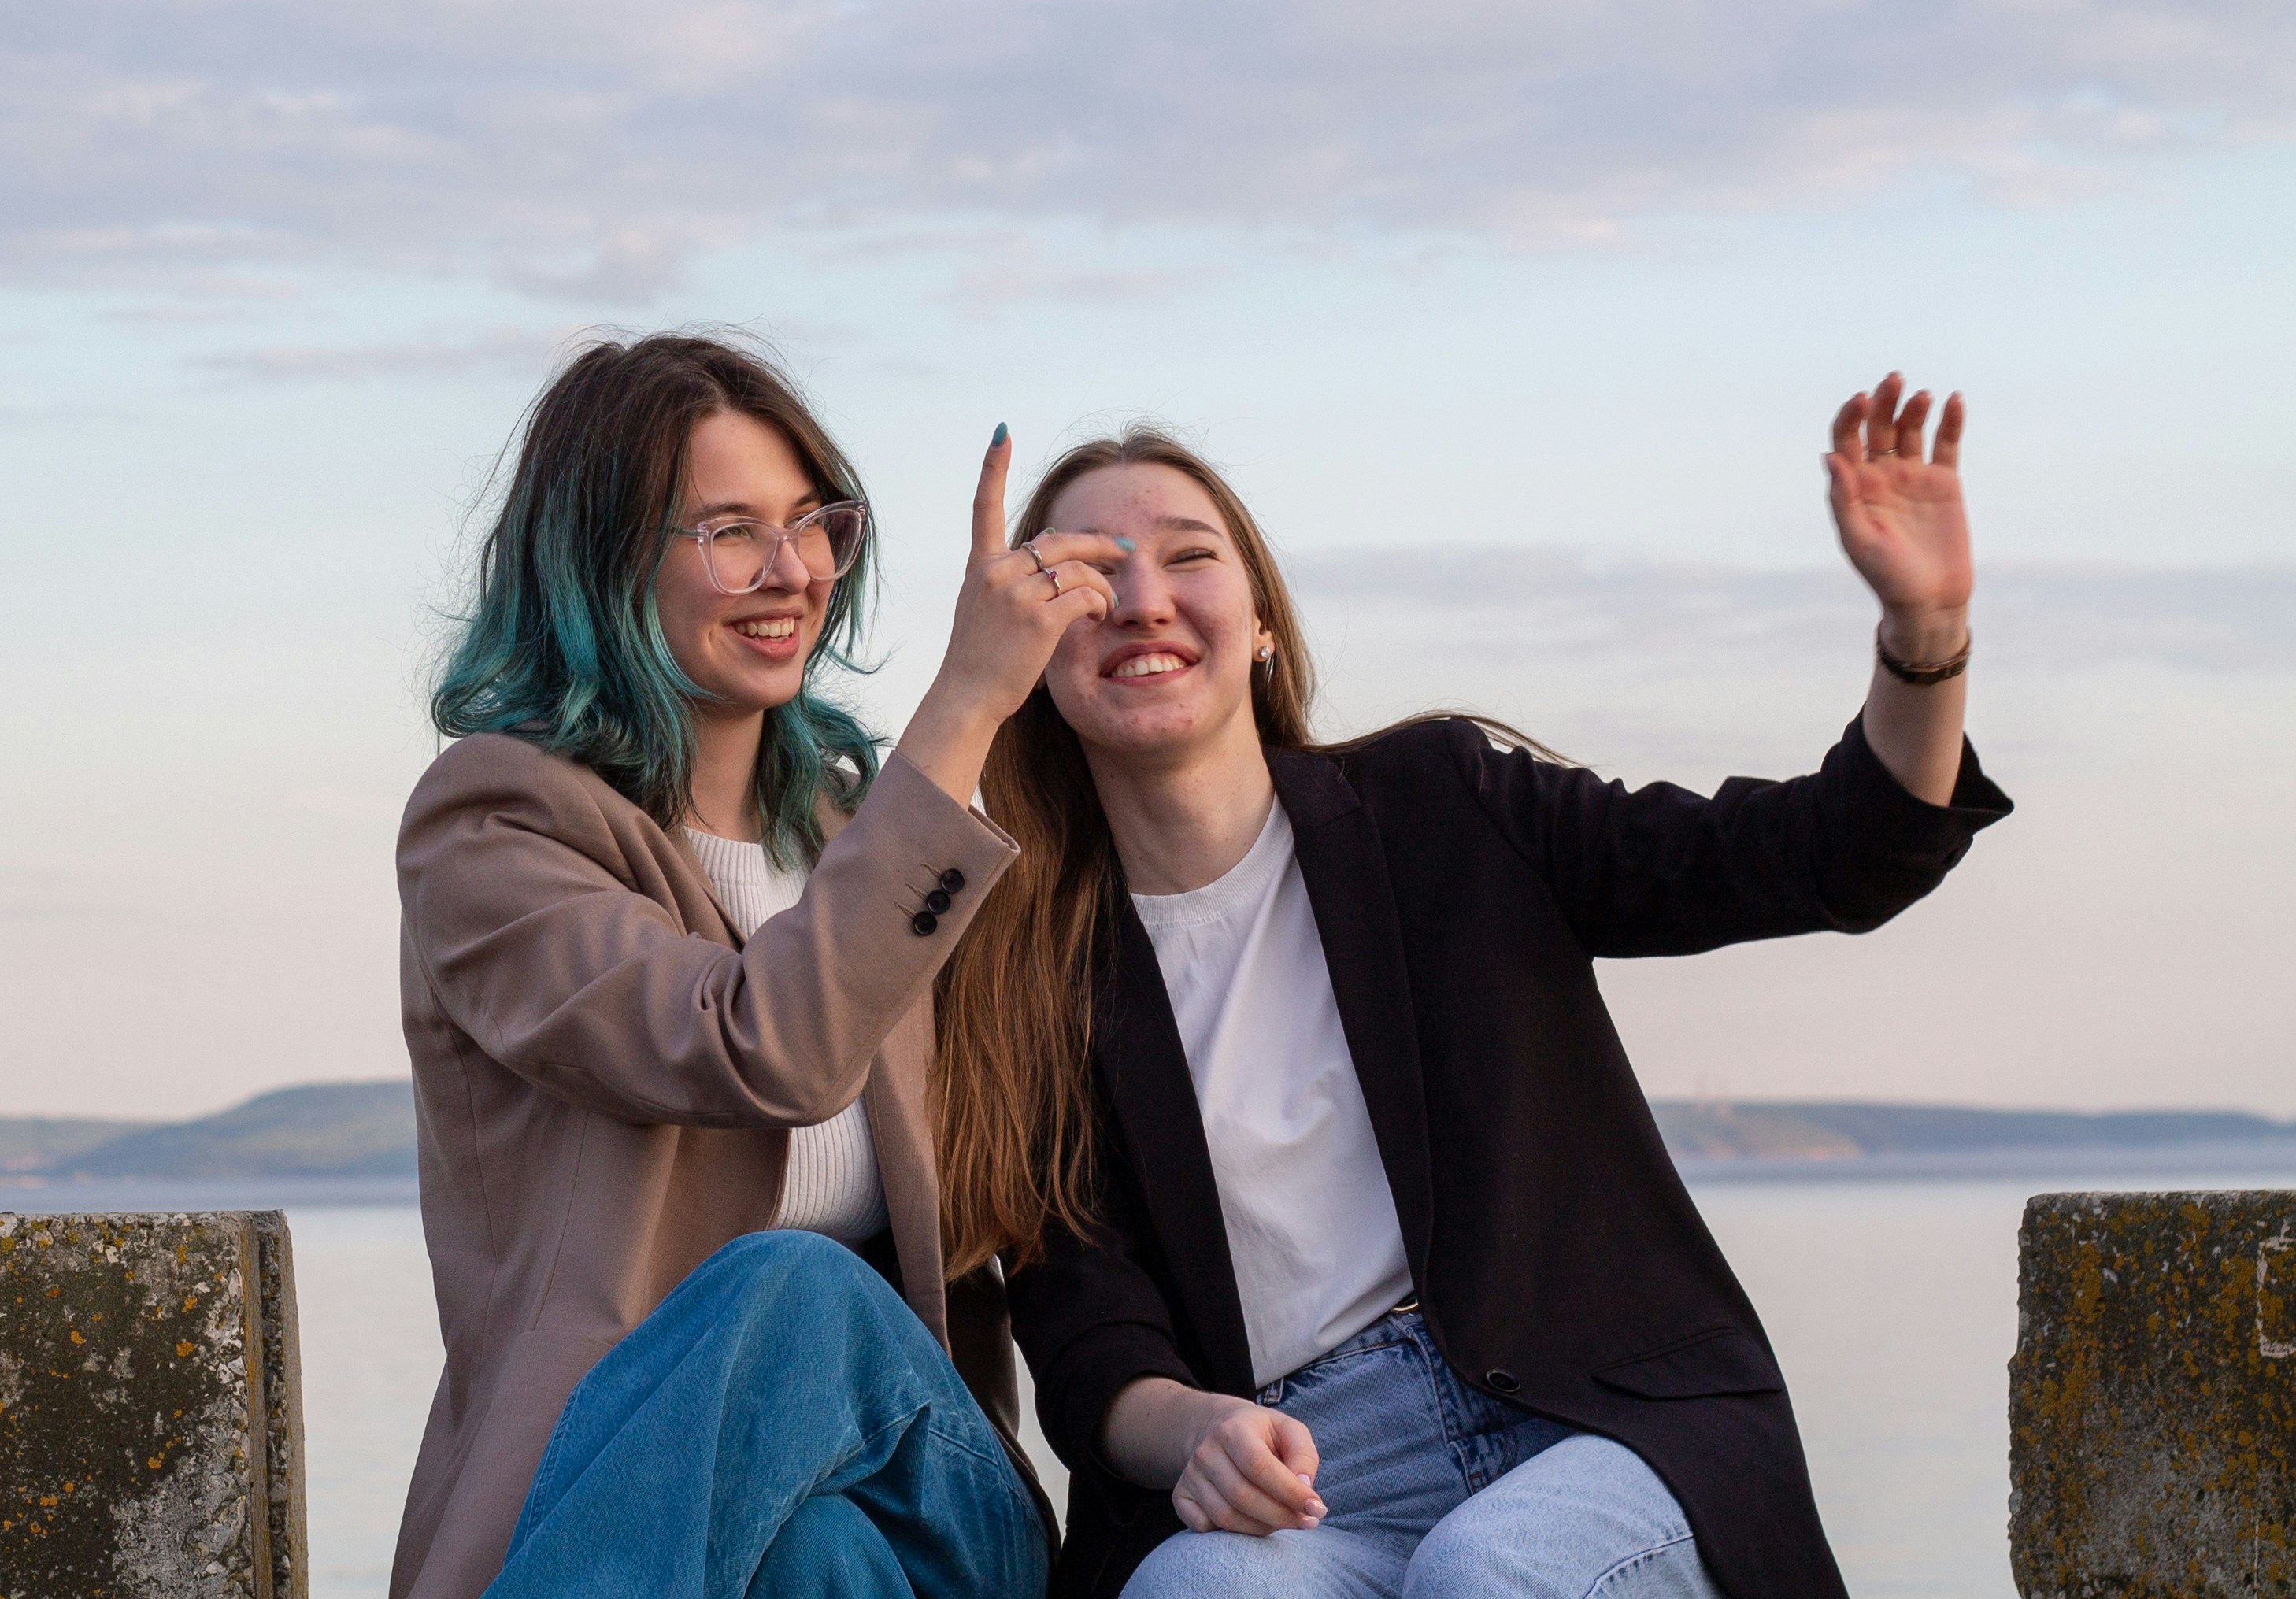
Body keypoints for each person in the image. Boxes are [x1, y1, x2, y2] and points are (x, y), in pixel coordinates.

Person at [935, 376, 2012, 1599]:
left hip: (1591, 1425)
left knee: (1484, 1569)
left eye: (1189, 557)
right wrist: (1194, 1432)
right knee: (1198, 1589)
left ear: (1264, 620)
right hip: (1304, 1479)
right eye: (1086, 577)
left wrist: (1925, 639)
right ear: (1029, 651)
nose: (1143, 602)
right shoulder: (1020, 970)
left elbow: (1822, 856)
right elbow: (1085, 1334)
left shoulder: (1444, 803)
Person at [393, 331, 1117, 1599]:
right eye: (729, 529)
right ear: (604, 561)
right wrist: (961, 709)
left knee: (796, 1292)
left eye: (812, 522)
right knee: (810, 1556)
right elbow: (760, 1045)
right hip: (660, 1508)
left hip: (932, 1497)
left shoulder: (867, 839)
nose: (793, 573)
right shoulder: (495, 833)